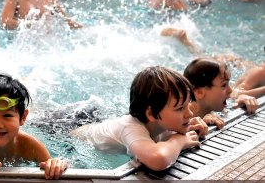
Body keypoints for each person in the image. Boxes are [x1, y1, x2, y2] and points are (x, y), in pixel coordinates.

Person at [71, 66, 208, 171]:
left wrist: (196, 125)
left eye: (188, 104)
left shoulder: (160, 120)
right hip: (73, 128)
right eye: (180, 108)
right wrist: (179, 140)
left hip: (99, 120)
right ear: (151, 114)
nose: (189, 114)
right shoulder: (131, 128)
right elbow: (158, 159)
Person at [0, 74, 67, 179]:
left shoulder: (30, 146)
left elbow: (50, 167)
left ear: (23, 117)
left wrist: (57, 164)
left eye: (7, 115)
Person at [183, 58, 259, 129]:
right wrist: (196, 124)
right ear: (199, 92)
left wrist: (242, 99)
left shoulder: (218, 105)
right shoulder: (181, 115)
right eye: (224, 85)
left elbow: (233, 103)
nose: (230, 90)